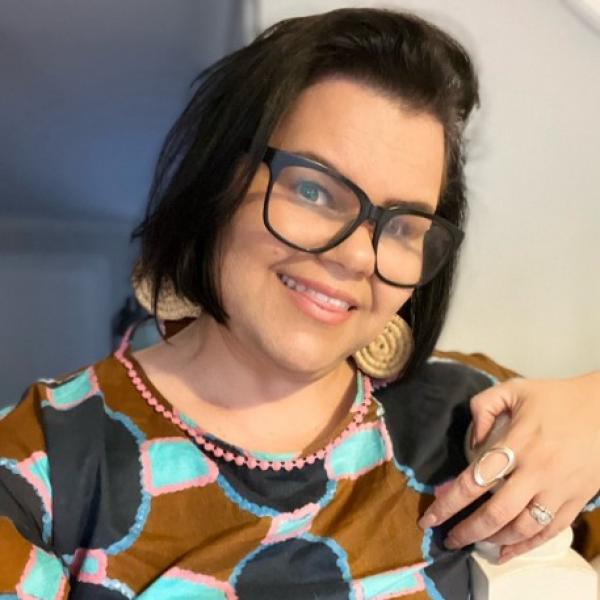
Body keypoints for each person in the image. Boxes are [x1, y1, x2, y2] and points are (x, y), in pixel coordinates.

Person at [0, 8, 598, 599]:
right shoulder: (43, 459)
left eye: (404, 225)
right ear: (217, 183)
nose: (360, 258)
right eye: (314, 190)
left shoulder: (469, 417)